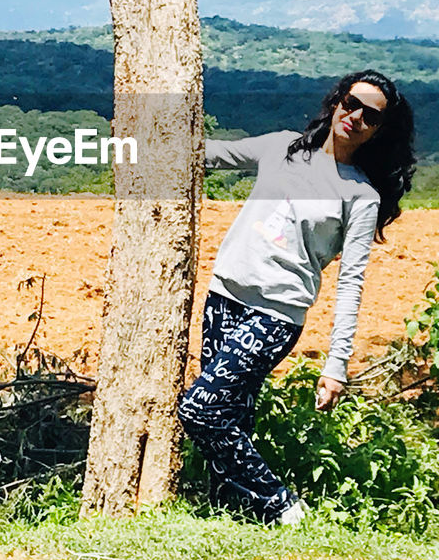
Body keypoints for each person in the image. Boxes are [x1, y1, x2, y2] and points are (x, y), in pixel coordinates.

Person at [177, 69, 415, 526]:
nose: (356, 117)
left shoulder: (360, 195)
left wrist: (336, 363)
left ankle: (283, 508)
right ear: (336, 102)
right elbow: (210, 154)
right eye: (352, 104)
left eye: (371, 116)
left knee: (201, 410)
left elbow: (351, 283)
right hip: (225, 294)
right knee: (232, 417)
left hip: (276, 312)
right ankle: (231, 515)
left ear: (379, 130)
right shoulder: (282, 147)